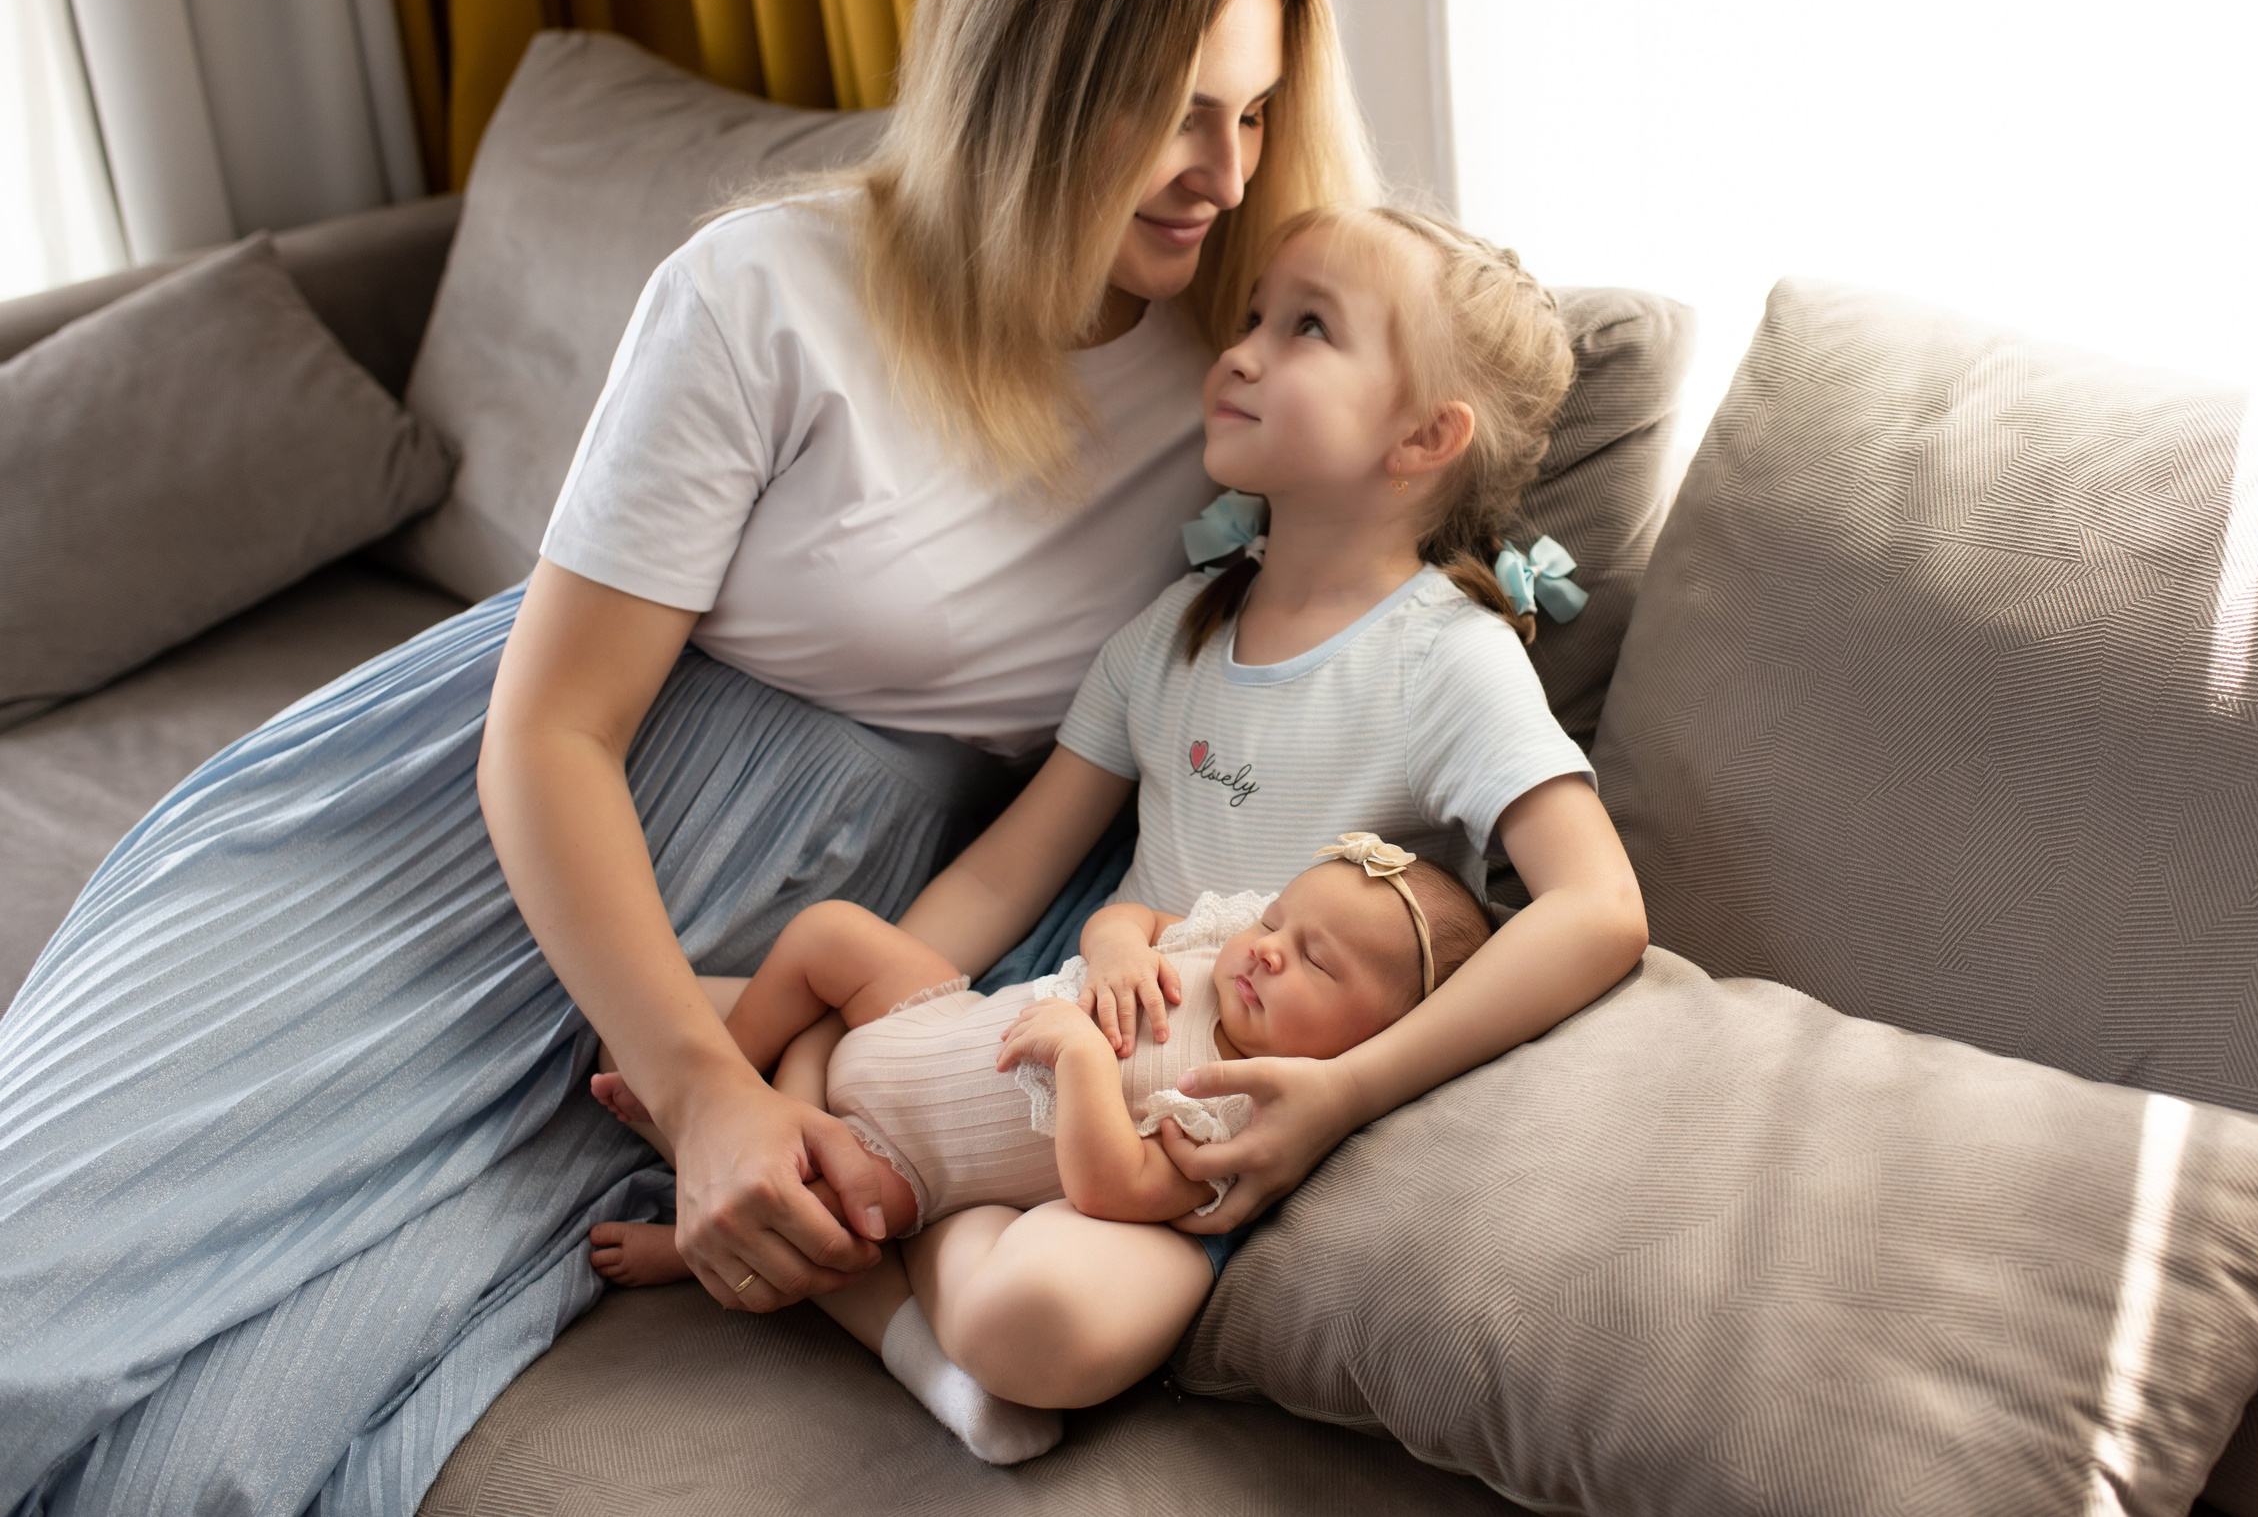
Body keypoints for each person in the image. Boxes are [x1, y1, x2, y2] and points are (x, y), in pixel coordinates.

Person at [0, 0, 1373, 1513]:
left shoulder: (1237, 397)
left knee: (227, 1454)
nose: (1226, 172)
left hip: (774, 936)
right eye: (1177, 108)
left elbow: (1389, 603)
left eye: (1253, 115)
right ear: (1026, 73)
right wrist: (704, 1090)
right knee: (28, 1317)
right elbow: (552, 729)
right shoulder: (768, 291)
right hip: (479, 850)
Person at [598, 201, 1651, 1456]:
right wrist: (873, 1029)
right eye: (1254, 313)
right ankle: (847, 1183)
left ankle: (886, 1274)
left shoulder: (1450, 662)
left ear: (1424, 437)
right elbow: (1006, 870)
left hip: (1164, 1151)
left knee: (1035, 1324)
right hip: (1030, 1036)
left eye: (1304, 327)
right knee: (634, 1020)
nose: (1242, 350)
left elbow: (1600, 910)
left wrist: (1334, 1094)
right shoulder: (1172, 632)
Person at [589, 839, 1493, 1461]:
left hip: (906, 1158)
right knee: (832, 932)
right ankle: (736, 1079)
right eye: (1277, 923)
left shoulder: (1234, 1114)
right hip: (938, 1016)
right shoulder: (1220, 948)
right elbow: (1130, 914)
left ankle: (695, 1246)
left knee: (838, 1216)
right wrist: (1110, 954)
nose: (1266, 954)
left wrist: (1083, 1060)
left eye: (1317, 964)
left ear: (1369, 1042)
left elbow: (1115, 1190)